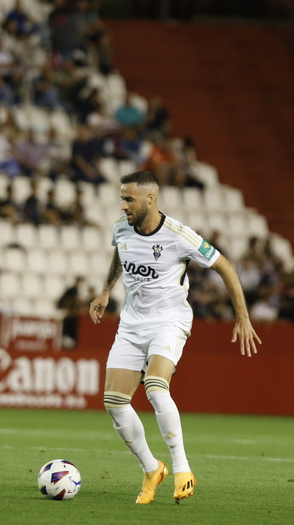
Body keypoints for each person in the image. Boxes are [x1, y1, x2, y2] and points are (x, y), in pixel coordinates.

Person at [89, 171, 261, 504]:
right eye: (122, 198)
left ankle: (182, 468)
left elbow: (224, 265)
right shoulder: (120, 229)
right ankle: (152, 469)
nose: (123, 205)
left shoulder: (178, 235)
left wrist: (242, 316)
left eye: (129, 199)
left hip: (169, 321)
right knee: (113, 401)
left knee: (155, 386)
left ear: (150, 199)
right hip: (131, 323)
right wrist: (106, 290)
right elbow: (120, 254)